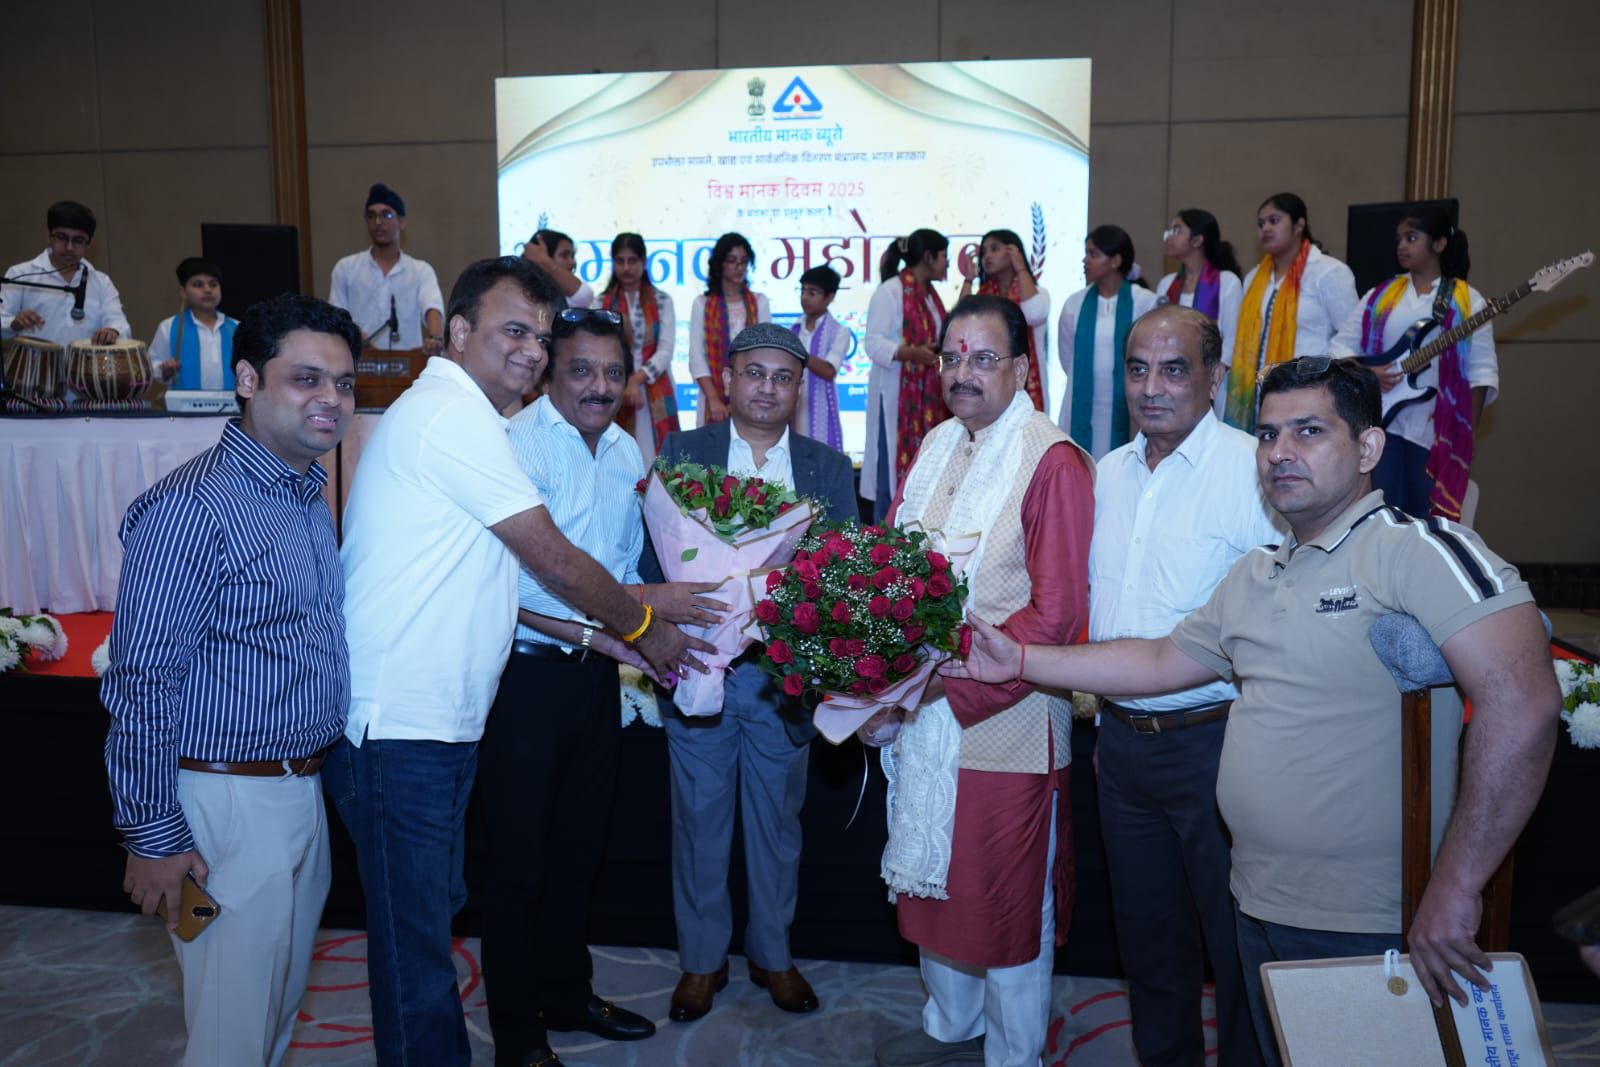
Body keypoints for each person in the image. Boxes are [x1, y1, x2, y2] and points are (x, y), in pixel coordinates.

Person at [950, 356, 1560, 1066]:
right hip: (1257, 904)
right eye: (1268, 434)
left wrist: (1458, 886)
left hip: (1372, 922)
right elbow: (1157, 662)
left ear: (1368, 447)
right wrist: (1022, 660)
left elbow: (1525, 703)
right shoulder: (1258, 572)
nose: (1280, 452)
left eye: (1309, 431)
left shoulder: (1415, 550)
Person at [329, 256, 709, 1066]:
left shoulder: (489, 422)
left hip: (451, 712)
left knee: (453, 919)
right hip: (406, 721)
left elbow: (507, 577)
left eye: (539, 336)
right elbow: (556, 563)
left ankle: (559, 996)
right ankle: (516, 1039)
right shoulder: (458, 419)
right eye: (516, 332)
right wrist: (648, 626)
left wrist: (606, 639)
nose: (531, 351)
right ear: (458, 331)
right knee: (422, 952)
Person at [101, 293, 361, 1066]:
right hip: (222, 809)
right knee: (229, 1035)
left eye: (344, 383)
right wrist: (153, 834)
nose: (331, 398)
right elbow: (143, 679)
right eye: (306, 378)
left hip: (297, 791)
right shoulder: (191, 508)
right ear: (247, 379)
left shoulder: (299, 490)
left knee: (270, 1018)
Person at [480, 307, 726, 1067]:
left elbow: (615, 568)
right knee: (517, 864)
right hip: (523, 679)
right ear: (548, 372)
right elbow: (523, 583)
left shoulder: (625, 450)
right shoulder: (513, 445)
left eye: (613, 373)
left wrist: (638, 628)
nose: (598, 387)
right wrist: (647, 609)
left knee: (578, 849)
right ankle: (518, 1035)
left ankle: (568, 993)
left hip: (597, 676)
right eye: (581, 370)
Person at [873, 295, 1095, 1067]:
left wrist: (946, 680)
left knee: (1004, 905)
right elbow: (895, 568)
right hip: (927, 715)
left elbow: (1057, 615)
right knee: (935, 888)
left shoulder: (1052, 459)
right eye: (952, 356)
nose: (963, 372)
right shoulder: (939, 442)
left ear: (1023, 368)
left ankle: (1012, 1053)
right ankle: (949, 1026)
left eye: (984, 357)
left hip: (1008, 723)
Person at [650, 322, 858, 1024]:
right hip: (699, 668)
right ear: (730, 378)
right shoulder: (683, 452)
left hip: (780, 681)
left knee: (777, 826)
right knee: (699, 823)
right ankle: (701, 961)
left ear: (799, 389)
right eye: (756, 373)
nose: (768, 387)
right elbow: (655, 558)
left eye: (783, 377)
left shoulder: (827, 467)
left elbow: (841, 570)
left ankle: (773, 953)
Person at [1089, 305, 1278, 1067]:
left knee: (1237, 944)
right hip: (1120, 747)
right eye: (1138, 369)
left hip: (1218, 743)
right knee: (1149, 940)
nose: (1152, 388)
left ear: (1214, 378)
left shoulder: (1254, 470)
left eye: (1173, 369)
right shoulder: (1106, 473)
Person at [1329, 205, 1498, 520]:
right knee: (1381, 518)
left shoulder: (1468, 301)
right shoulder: (1380, 296)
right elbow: (1339, 347)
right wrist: (1367, 371)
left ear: (1439, 243)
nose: (1401, 246)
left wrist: (1465, 437)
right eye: (1399, 239)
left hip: (1436, 434)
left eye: (1411, 238)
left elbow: (1480, 374)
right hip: (1383, 428)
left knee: (1427, 522)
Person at [1224, 193, 1358, 433]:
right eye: (1261, 224)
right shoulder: (1254, 277)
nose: (1265, 229)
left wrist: (1316, 370)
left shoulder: (1328, 272)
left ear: (1299, 225)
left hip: (1311, 393)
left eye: (1274, 221)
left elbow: (1352, 335)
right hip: (1256, 397)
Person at [862, 228, 950, 521]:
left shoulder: (931, 296)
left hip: (928, 396)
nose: (947, 263)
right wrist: (911, 353)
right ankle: (886, 538)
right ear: (928, 257)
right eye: (944, 256)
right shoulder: (890, 291)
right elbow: (873, 343)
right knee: (891, 470)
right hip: (896, 397)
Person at [1055, 225, 1159, 459]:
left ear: (1115, 261)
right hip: (1082, 404)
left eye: (1093, 254)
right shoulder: (1074, 304)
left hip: (1130, 406)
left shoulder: (1144, 302)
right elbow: (1067, 359)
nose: (1085, 260)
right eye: (1086, 253)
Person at [328, 182, 445, 356]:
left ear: (402, 222)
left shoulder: (420, 271)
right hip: (359, 362)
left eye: (386, 215)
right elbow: (336, 318)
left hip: (409, 364)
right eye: (371, 216)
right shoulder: (346, 268)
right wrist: (354, 335)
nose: (378, 222)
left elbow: (432, 308)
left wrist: (435, 338)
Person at [2, 200, 131, 347]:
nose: (69, 247)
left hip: (86, 362)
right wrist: (13, 323)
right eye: (62, 237)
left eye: (78, 240)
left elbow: (121, 326)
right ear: (49, 237)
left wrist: (112, 331)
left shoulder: (101, 282)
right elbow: (2, 319)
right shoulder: (20, 274)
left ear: (88, 244)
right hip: (35, 362)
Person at [599, 232, 679, 463]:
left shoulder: (662, 301)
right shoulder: (600, 303)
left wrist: (635, 381)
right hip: (614, 389)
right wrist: (624, 382)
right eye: (620, 261)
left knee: (657, 461)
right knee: (619, 461)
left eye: (632, 261)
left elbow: (665, 351)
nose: (626, 268)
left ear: (644, 262)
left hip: (654, 389)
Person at [1154, 208, 1243, 408]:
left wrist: (1211, 375)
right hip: (1171, 378)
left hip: (1214, 382)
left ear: (1197, 240)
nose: (1169, 237)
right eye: (1170, 231)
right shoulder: (1167, 284)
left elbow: (1233, 339)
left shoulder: (1227, 282)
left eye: (1177, 231)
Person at [959, 228, 1050, 412]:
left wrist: (1021, 268)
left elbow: (1033, 314)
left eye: (995, 249)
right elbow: (961, 323)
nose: (987, 256)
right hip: (986, 380)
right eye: (984, 252)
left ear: (1014, 252)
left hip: (1027, 380)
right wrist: (968, 280)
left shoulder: (1038, 293)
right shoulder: (983, 296)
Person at [690, 231, 770, 424]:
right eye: (732, 261)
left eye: (743, 261)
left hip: (753, 396)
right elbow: (697, 357)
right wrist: (714, 400)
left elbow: (765, 353)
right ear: (719, 264)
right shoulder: (702, 304)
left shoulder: (759, 302)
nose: (738, 267)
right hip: (712, 400)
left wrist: (743, 399)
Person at [148, 257, 238, 389]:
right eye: (198, 285)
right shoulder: (169, 327)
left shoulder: (238, 328)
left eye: (213, 285)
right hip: (185, 402)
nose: (207, 290)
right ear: (183, 293)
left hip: (231, 402)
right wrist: (165, 370)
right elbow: (152, 365)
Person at [790, 264, 849, 450]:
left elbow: (828, 371)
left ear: (830, 297)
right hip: (794, 410)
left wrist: (797, 352)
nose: (805, 297)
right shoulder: (794, 329)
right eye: (803, 291)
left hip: (821, 411)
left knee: (821, 457)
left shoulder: (839, 332)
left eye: (812, 292)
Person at [521, 227, 596, 309]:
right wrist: (544, 261)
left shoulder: (566, 293)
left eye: (572, 256)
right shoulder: (520, 287)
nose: (572, 262)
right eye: (564, 255)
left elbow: (584, 296)